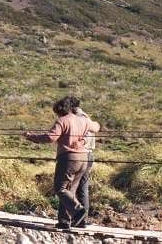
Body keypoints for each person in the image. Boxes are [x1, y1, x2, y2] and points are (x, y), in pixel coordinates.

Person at [24, 96, 100, 230]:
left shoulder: (62, 121)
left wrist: (31, 136)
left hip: (68, 158)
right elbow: (97, 127)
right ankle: (64, 222)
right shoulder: (83, 120)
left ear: (59, 110)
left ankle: (77, 210)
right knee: (70, 190)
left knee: (60, 189)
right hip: (83, 159)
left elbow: (50, 137)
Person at [70, 96, 95, 228]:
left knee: (74, 187)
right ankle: (82, 219)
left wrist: (79, 143)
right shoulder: (85, 116)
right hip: (88, 154)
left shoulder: (79, 117)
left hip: (82, 154)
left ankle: (77, 217)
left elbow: (87, 135)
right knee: (82, 188)